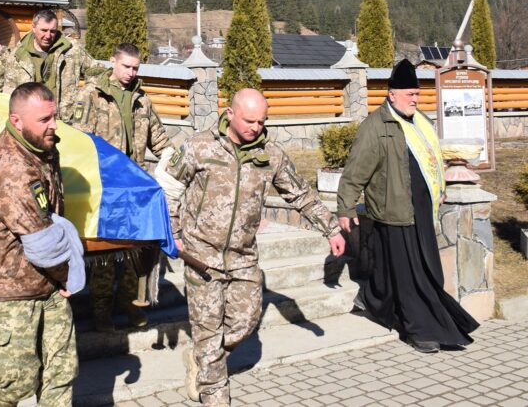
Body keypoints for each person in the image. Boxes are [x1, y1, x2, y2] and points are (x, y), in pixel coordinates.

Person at [166, 88, 345, 406]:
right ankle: (213, 391)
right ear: (230, 113)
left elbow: (300, 194)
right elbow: (169, 188)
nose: (256, 128)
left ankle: (201, 359)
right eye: (250, 121)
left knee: (246, 320)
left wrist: (330, 228)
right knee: (208, 329)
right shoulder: (199, 146)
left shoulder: (270, 154)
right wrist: (173, 232)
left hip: (243, 255)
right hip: (200, 254)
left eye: (262, 122)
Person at [337, 58, 479, 353]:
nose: (416, 99)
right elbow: (355, 173)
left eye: (417, 94)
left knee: (421, 269)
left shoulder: (420, 121)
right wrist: (346, 209)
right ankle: (418, 329)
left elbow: (432, 159)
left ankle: (372, 301)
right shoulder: (375, 128)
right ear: (392, 94)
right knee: (409, 274)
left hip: (422, 211)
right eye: (410, 94)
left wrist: (438, 187)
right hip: (394, 212)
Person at [0, 83, 85, 407]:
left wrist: (60, 275)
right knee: (14, 383)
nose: (54, 125)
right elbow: (42, 243)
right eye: (44, 119)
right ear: (17, 122)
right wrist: (67, 274)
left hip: (45, 279)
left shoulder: (43, 146)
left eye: (54, 117)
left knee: (61, 373)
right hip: (5, 288)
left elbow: (51, 210)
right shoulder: (10, 166)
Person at [73, 42, 172, 331]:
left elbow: (161, 141)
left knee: (135, 250)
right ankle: (101, 313)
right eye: (126, 66)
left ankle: (131, 305)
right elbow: (79, 140)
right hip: (104, 188)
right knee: (104, 253)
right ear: (113, 63)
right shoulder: (91, 95)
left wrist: (177, 162)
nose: (130, 72)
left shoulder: (142, 100)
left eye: (135, 68)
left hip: (135, 188)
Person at [3, 10, 94, 119]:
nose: (48, 35)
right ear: (33, 27)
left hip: (66, 121)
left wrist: (83, 95)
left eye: (52, 31)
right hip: (32, 122)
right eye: (44, 30)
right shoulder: (17, 55)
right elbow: (9, 93)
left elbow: (97, 71)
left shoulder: (72, 50)